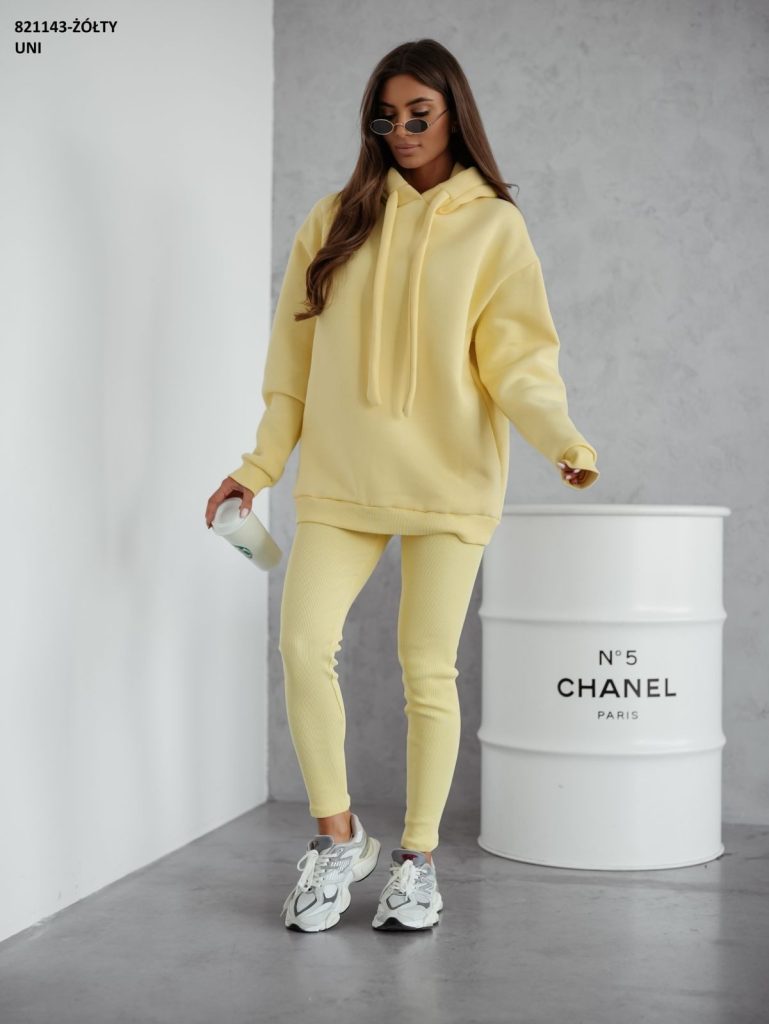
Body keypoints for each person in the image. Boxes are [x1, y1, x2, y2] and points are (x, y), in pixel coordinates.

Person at [205, 38, 600, 933]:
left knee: (427, 670)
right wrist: (256, 469)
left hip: (451, 482)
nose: (403, 129)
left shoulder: (494, 227)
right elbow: (290, 370)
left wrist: (560, 440)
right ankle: (337, 839)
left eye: (420, 113)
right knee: (302, 645)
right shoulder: (335, 219)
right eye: (387, 116)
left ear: (454, 114)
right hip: (342, 477)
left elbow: (518, 359)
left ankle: (416, 862)